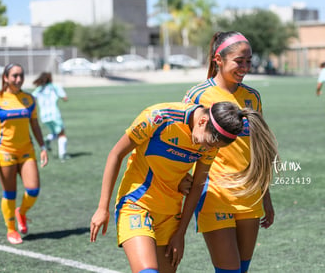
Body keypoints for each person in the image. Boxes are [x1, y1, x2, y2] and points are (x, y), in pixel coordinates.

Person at [90, 101, 277, 273]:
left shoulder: (212, 143)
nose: (209, 149)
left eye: (215, 147)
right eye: (209, 143)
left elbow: (197, 185)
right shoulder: (158, 118)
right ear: (202, 121)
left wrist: (180, 233)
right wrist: (102, 208)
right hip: (137, 205)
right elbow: (116, 154)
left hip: (171, 214)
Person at [181, 31, 279, 273]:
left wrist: (266, 197)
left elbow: (260, 148)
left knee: (241, 269)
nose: (245, 67)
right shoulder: (197, 95)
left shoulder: (252, 97)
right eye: (239, 61)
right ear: (218, 59)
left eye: (249, 61)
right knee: (229, 270)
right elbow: (182, 143)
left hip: (249, 195)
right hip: (213, 194)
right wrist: (182, 179)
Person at [0, 63, 48, 244]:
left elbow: (34, 125)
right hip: (4, 151)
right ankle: (11, 230)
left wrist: (42, 147)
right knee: (10, 192)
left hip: (26, 150)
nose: (18, 79)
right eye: (14, 76)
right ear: (5, 78)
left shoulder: (29, 99)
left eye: (21, 75)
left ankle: (22, 212)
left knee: (33, 190)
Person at [32, 72, 69, 162]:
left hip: (44, 116)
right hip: (54, 114)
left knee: (55, 133)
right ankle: (62, 155)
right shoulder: (54, 87)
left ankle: (48, 139)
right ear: (50, 78)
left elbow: (31, 99)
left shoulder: (39, 89)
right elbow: (65, 98)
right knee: (62, 134)